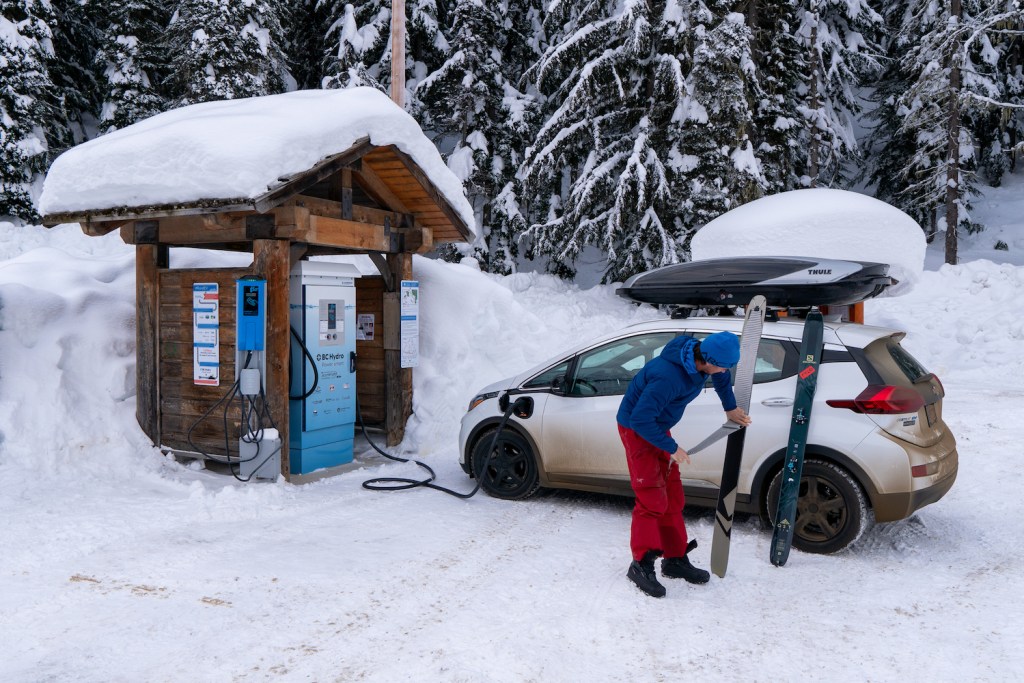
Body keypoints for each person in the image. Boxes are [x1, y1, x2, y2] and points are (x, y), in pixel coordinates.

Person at [616, 331, 751, 598]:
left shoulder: (703, 358)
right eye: (725, 365)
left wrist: (730, 408)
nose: (726, 371)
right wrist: (671, 448)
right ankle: (640, 564)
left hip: (658, 428)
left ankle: (675, 559)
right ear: (708, 360)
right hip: (636, 429)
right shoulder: (667, 377)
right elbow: (640, 420)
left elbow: (722, 377)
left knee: (673, 498)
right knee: (651, 499)